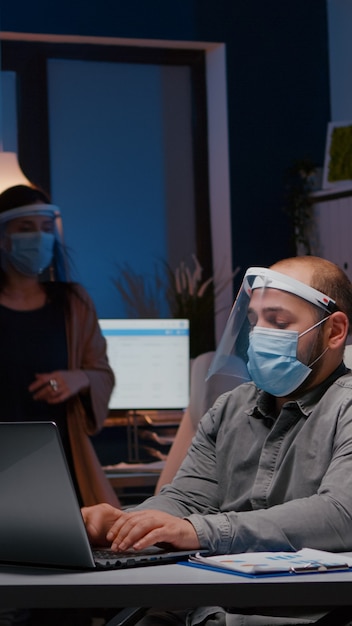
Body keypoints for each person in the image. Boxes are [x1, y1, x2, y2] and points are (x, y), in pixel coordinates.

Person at [82, 255, 352, 625]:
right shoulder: (231, 407)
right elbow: (188, 497)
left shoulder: (346, 405)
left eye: (279, 321)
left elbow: (340, 514)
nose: (258, 334)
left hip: (300, 613)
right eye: (255, 321)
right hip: (206, 604)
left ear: (335, 331)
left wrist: (200, 530)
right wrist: (126, 524)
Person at [0, 184, 119, 509]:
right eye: (26, 229)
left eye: (46, 229)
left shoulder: (73, 303)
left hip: (62, 465)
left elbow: (101, 374)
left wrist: (78, 378)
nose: (39, 238)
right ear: (3, 236)